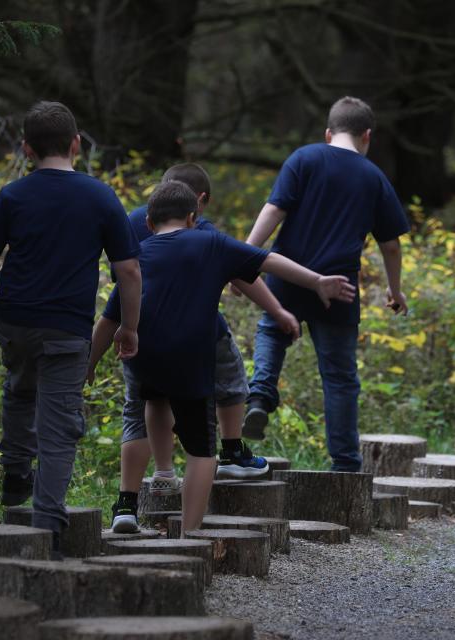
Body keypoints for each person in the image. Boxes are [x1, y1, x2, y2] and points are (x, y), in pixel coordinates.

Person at [0, 101, 142, 558]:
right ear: (76, 144)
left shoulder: (13, 195)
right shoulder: (101, 197)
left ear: (26, 149)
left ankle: (14, 470)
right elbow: (128, 271)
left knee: (20, 388)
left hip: (13, 322)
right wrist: (129, 327)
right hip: (66, 330)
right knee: (59, 426)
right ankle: (48, 529)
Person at [98, 180, 354, 534]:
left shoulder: (140, 254)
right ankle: (189, 534)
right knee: (202, 451)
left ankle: (149, 485)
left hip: (145, 353)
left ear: (149, 222)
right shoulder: (211, 242)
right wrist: (316, 282)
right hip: (191, 359)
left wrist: (90, 362)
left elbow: (110, 317)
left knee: (153, 400)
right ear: (192, 217)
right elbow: (268, 260)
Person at [242, 96, 410, 472]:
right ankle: (346, 464)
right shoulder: (374, 178)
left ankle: (260, 396)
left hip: (286, 275)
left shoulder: (303, 158)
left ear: (328, 133)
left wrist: (245, 257)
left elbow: (274, 210)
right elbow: (391, 245)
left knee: (272, 330)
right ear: (367, 136)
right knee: (339, 378)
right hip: (339, 289)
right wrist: (395, 290)